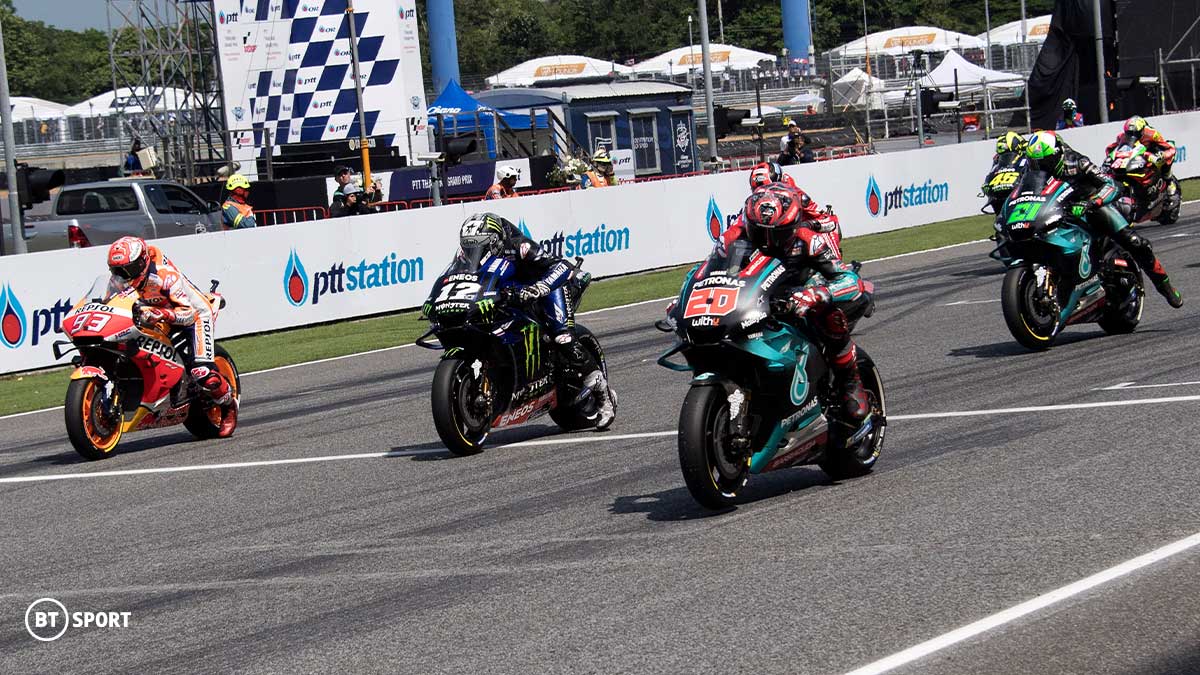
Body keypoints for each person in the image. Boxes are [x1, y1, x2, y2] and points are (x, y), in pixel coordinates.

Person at [452, 212, 616, 428]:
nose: (474, 250)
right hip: (513, 293)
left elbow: (561, 266)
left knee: (562, 336)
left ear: (493, 241)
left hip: (547, 286)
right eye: (469, 245)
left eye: (478, 245)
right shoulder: (466, 255)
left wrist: (538, 289)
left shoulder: (520, 246)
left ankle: (603, 395)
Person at [731, 184, 871, 424]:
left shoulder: (809, 240)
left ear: (793, 225)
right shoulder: (737, 239)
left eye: (777, 233)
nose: (768, 241)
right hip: (757, 301)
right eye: (760, 232)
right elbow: (711, 271)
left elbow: (849, 280)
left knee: (829, 316)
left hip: (801, 299)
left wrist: (818, 294)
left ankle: (850, 381)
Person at [1025, 130, 1182, 307]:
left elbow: (1111, 185)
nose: (1042, 168)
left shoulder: (1078, 162)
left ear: (1058, 155)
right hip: (1058, 211)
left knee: (1135, 242)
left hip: (1091, 208)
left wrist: (1092, 203)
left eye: (1046, 162)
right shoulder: (1031, 172)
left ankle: (1165, 287)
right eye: (1036, 164)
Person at [104, 236, 235, 421]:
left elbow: (188, 313)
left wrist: (163, 314)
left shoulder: (164, 276)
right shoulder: (120, 280)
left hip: (194, 315)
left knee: (202, 372)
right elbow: (110, 304)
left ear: (142, 262)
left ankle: (229, 405)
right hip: (159, 316)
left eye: (129, 269)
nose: (123, 275)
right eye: (117, 270)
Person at [1105, 115, 1180, 204]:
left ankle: (1169, 181)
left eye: (1135, 133)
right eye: (1129, 133)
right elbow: (1112, 148)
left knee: (1163, 160)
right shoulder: (1122, 136)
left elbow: (1168, 148)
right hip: (1136, 156)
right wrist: (1110, 157)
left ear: (1142, 130)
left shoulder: (1152, 134)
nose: (1132, 136)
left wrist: (1161, 155)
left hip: (1152, 152)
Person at [982, 131, 1029, 213]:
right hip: (999, 194)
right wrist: (987, 185)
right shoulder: (997, 161)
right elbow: (991, 174)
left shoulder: (1025, 158)